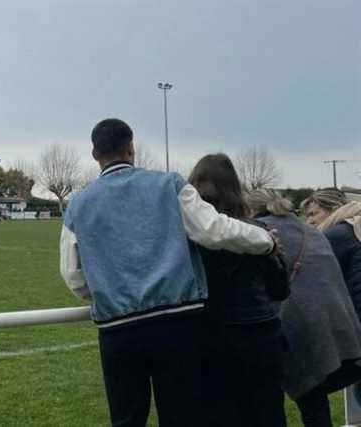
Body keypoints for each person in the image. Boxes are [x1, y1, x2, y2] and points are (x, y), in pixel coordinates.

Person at [59, 118, 277, 427]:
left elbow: (72, 272)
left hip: (117, 331)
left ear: (95, 154)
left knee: (127, 419)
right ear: (131, 148)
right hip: (177, 325)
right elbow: (214, 230)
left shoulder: (77, 204)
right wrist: (266, 241)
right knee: (182, 416)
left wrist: (105, 294)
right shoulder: (169, 184)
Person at [188, 154, 290, 427]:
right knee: (269, 414)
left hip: (211, 337)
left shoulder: (188, 238)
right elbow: (280, 289)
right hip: (262, 335)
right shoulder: (260, 232)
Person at [247, 189, 361, 427]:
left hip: (296, 326)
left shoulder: (258, 232)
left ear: (250, 210)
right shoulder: (313, 233)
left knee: (304, 396)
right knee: (315, 398)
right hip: (340, 325)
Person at [302, 189, 361, 319]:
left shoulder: (336, 234)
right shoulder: (356, 224)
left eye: (313, 214)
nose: (309, 221)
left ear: (335, 209)